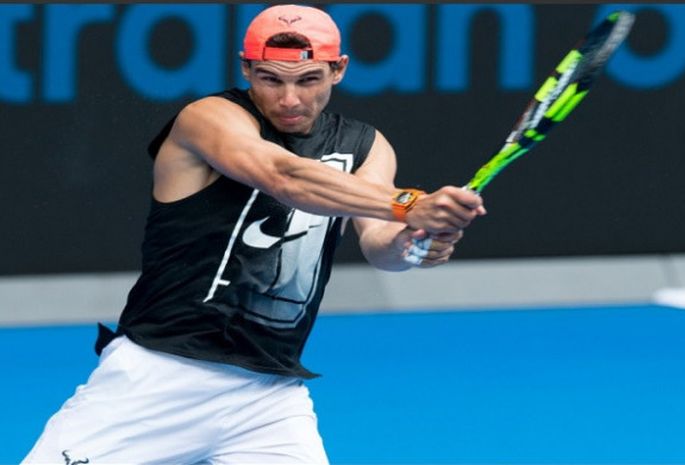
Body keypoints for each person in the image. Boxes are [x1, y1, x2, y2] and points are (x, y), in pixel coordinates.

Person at [23, 4, 486, 464]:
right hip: (158, 376)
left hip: (268, 398)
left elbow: (379, 246)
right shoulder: (208, 118)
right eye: (270, 79)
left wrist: (413, 242)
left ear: (338, 70)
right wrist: (409, 204)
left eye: (308, 80)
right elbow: (284, 177)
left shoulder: (365, 146)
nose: (289, 99)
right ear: (246, 68)